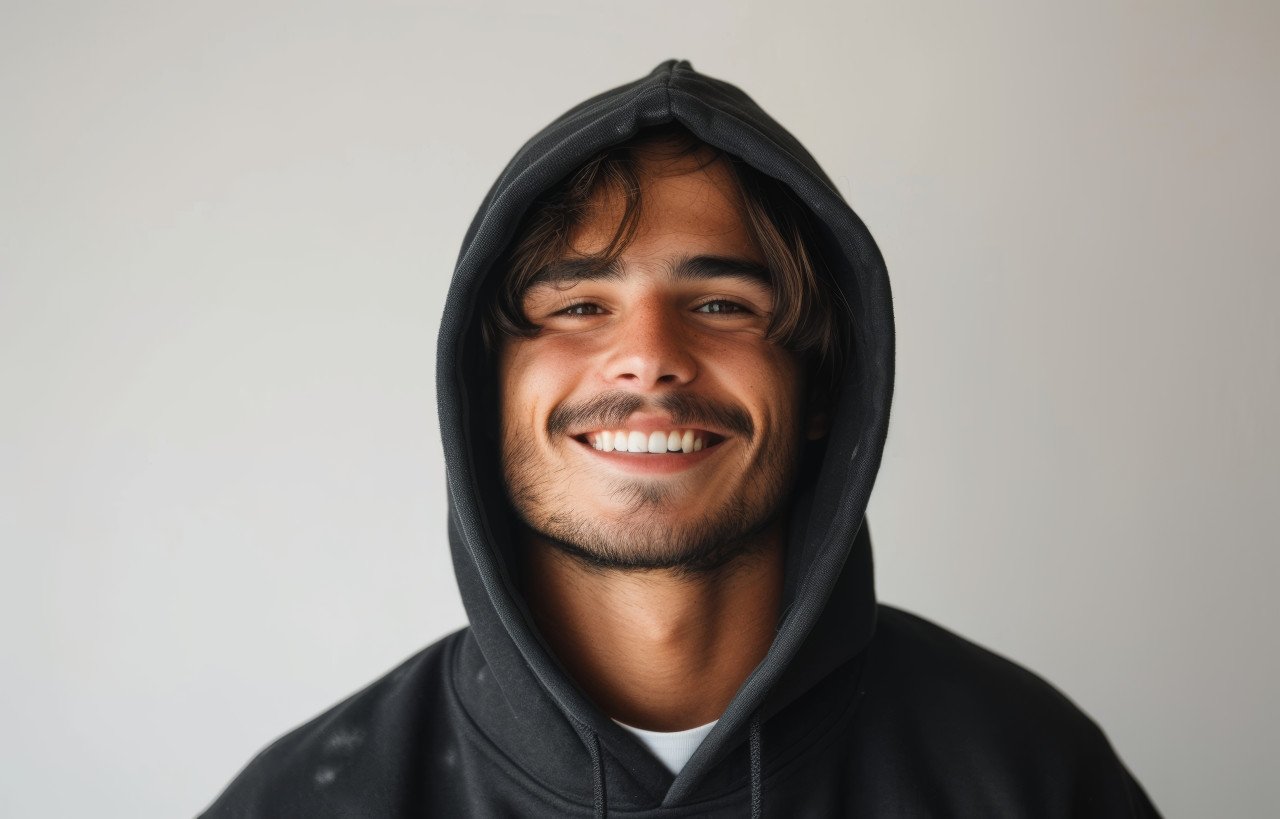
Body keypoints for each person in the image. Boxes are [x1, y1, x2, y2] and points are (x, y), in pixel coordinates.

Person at [203, 60, 1159, 818]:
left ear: (821, 385)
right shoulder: (305, 801)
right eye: (577, 304)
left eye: (719, 303)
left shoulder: (1031, 774)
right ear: (481, 390)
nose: (650, 359)